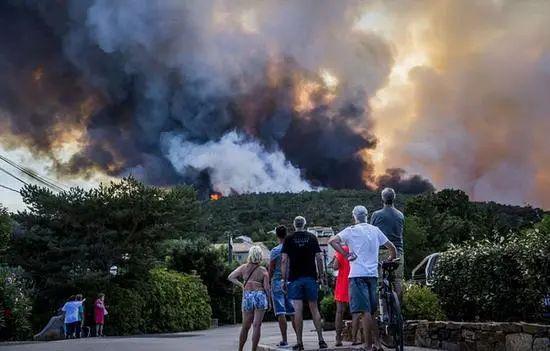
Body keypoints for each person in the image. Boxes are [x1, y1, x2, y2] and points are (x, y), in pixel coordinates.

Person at [329, 205, 397, 351]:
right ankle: (377, 344)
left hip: (357, 275)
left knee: (364, 311)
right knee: (372, 311)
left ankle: (368, 345)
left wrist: (346, 255)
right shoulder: (375, 230)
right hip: (372, 275)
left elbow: (332, 241)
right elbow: (392, 249)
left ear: (354, 216)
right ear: (367, 215)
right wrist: (388, 260)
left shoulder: (350, 230)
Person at [281, 216, 327, 350]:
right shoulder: (312, 238)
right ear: (304, 224)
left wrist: (284, 279)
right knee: (314, 308)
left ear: (294, 225)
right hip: (310, 277)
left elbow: (284, 260)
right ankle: (321, 340)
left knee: (298, 311)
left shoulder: (289, 239)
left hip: (295, 278)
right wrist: (322, 275)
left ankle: (300, 343)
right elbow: (319, 258)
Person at [228, 246, 271, 351]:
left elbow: (231, 277)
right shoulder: (263, 270)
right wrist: (269, 302)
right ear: (260, 256)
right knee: (257, 326)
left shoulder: (244, 267)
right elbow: (267, 288)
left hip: (247, 296)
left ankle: (240, 349)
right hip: (260, 295)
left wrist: (241, 285)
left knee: (245, 326)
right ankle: (253, 349)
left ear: (250, 255)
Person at [371, 187, 405, 298]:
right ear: (394, 198)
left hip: (381, 251)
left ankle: (382, 309)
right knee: (398, 280)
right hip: (398, 252)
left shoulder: (376, 215)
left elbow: (372, 234)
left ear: (382, 198)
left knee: (380, 281)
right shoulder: (400, 215)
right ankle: (399, 308)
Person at [268, 225, 296, 347]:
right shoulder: (292, 248)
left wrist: (268, 281)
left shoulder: (275, 250)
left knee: (281, 312)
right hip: (291, 281)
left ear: (277, 235)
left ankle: (284, 340)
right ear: (286, 234)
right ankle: (298, 339)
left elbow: (271, 268)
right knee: (293, 311)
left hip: (278, 281)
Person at [331, 244, 359, 346]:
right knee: (355, 312)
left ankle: (338, 339)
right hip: (355, 281)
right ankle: (355, 339)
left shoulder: (342, 249)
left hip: (343, 282)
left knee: (339, 312)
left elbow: (335, 266)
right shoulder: (357, 248)